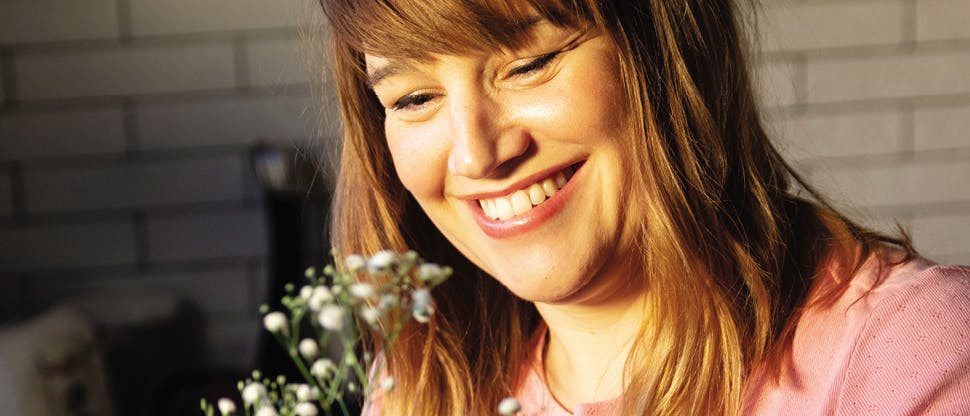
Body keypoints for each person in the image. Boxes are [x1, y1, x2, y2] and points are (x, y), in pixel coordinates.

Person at [315, 0, 970, 414]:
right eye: (412, 99)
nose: (476, 155)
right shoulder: (423, 385)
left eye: (530, 63)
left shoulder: (910, 358)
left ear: (665, 52)